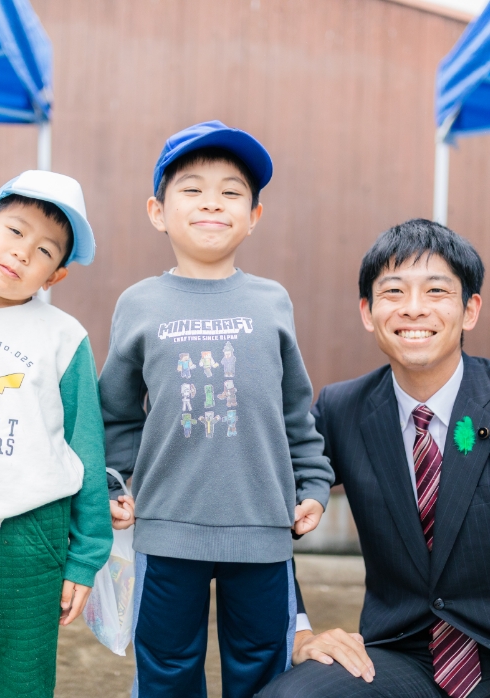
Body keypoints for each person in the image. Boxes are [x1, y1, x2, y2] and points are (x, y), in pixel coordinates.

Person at [99, 121, 334, 697]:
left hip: (262, 527)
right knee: (167, 670)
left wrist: (313, 484)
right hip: (166, 529)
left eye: (232, 192)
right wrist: (111, 485)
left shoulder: (272, 300)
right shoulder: (139, 304)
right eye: (192, 189)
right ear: (157, 210)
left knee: (263, 669)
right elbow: (116, 415)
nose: (212, 202)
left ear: (254, 216)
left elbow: (294, 413)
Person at [259, 220, 490, 698]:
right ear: (367, 311)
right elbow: (262, 511)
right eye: (393, 292)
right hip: (402, 654)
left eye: (436, 291)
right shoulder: (343, 409)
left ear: (470, 310)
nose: (413, 309)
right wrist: (299, 630)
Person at [0, 171, 113, 697]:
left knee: (24, 685)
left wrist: (85, 558)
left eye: (44, 250)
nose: (22, 254)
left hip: (28, 537)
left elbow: (86, 449)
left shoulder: (64, 337)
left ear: (55, 276)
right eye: (14, 232)